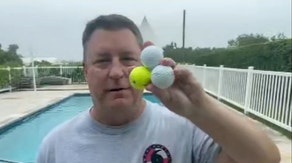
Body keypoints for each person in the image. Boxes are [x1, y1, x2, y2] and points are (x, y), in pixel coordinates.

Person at [36, 14, 280, 163]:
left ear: (144, 64)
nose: (117, 72)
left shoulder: (186, 129)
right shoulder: (56, 146)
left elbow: (265, 158)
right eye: (102, 61)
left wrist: (200, 107)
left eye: (128, 58)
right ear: (86, 71)